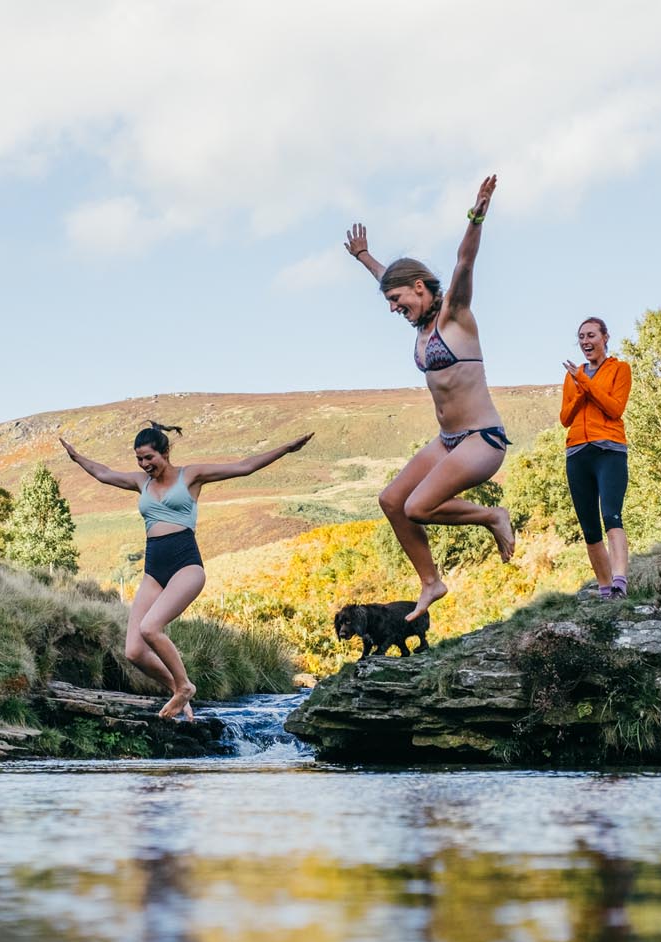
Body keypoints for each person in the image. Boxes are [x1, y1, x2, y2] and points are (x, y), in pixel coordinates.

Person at [344, 175, 515, 622]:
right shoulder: (417, 319)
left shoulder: (455, 315)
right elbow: (388, 277)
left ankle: (493, 516)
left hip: (482, 439)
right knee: (391, 501)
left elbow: (463, 263)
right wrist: (364, 257)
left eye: (399, 300)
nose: (395, 309)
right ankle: (430, 581)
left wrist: (476, 216)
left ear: (421, 286)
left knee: (418, 506)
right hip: (447, 440)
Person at [60, 422, 312, 719]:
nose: (144, 464)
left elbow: (244, 467)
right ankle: (180, 690)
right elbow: (103, 473)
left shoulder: (190, 476)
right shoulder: (141, 482)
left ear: (165, 452)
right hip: (154, 570)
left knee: (150, 628)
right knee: (135, 651)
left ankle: (184, 688)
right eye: (139, 459)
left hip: (186, 564)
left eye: (149, 457)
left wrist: (286, 448)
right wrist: (77, 458)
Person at [560, 317, 632, 598]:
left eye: (591, 335)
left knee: (611, 515)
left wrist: (586, 386)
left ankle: (619, 582)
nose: (585, 342)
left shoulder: (620, 369)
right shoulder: (572, 376)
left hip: (609, 450)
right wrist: (579, 389)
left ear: (605, 337)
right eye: (581, 337)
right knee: (589, 527)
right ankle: (605, 591)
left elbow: (615, 409)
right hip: (577, 453)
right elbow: (565, 418)